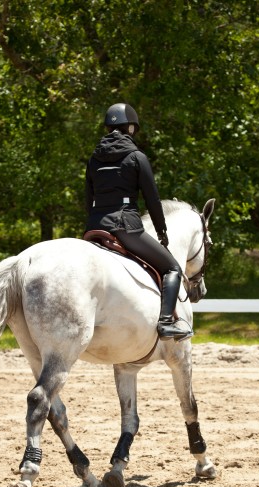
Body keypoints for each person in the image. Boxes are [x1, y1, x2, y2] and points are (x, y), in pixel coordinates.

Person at [85, 102, 193, 341]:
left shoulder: (94, 158)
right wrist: (162, 230)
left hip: (94, 226)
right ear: (130, 128)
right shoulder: (136, 156)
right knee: (172, 268)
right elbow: (152, 199)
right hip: (125, 226)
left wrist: (92, 223)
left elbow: (89, 197)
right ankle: (166, 323)